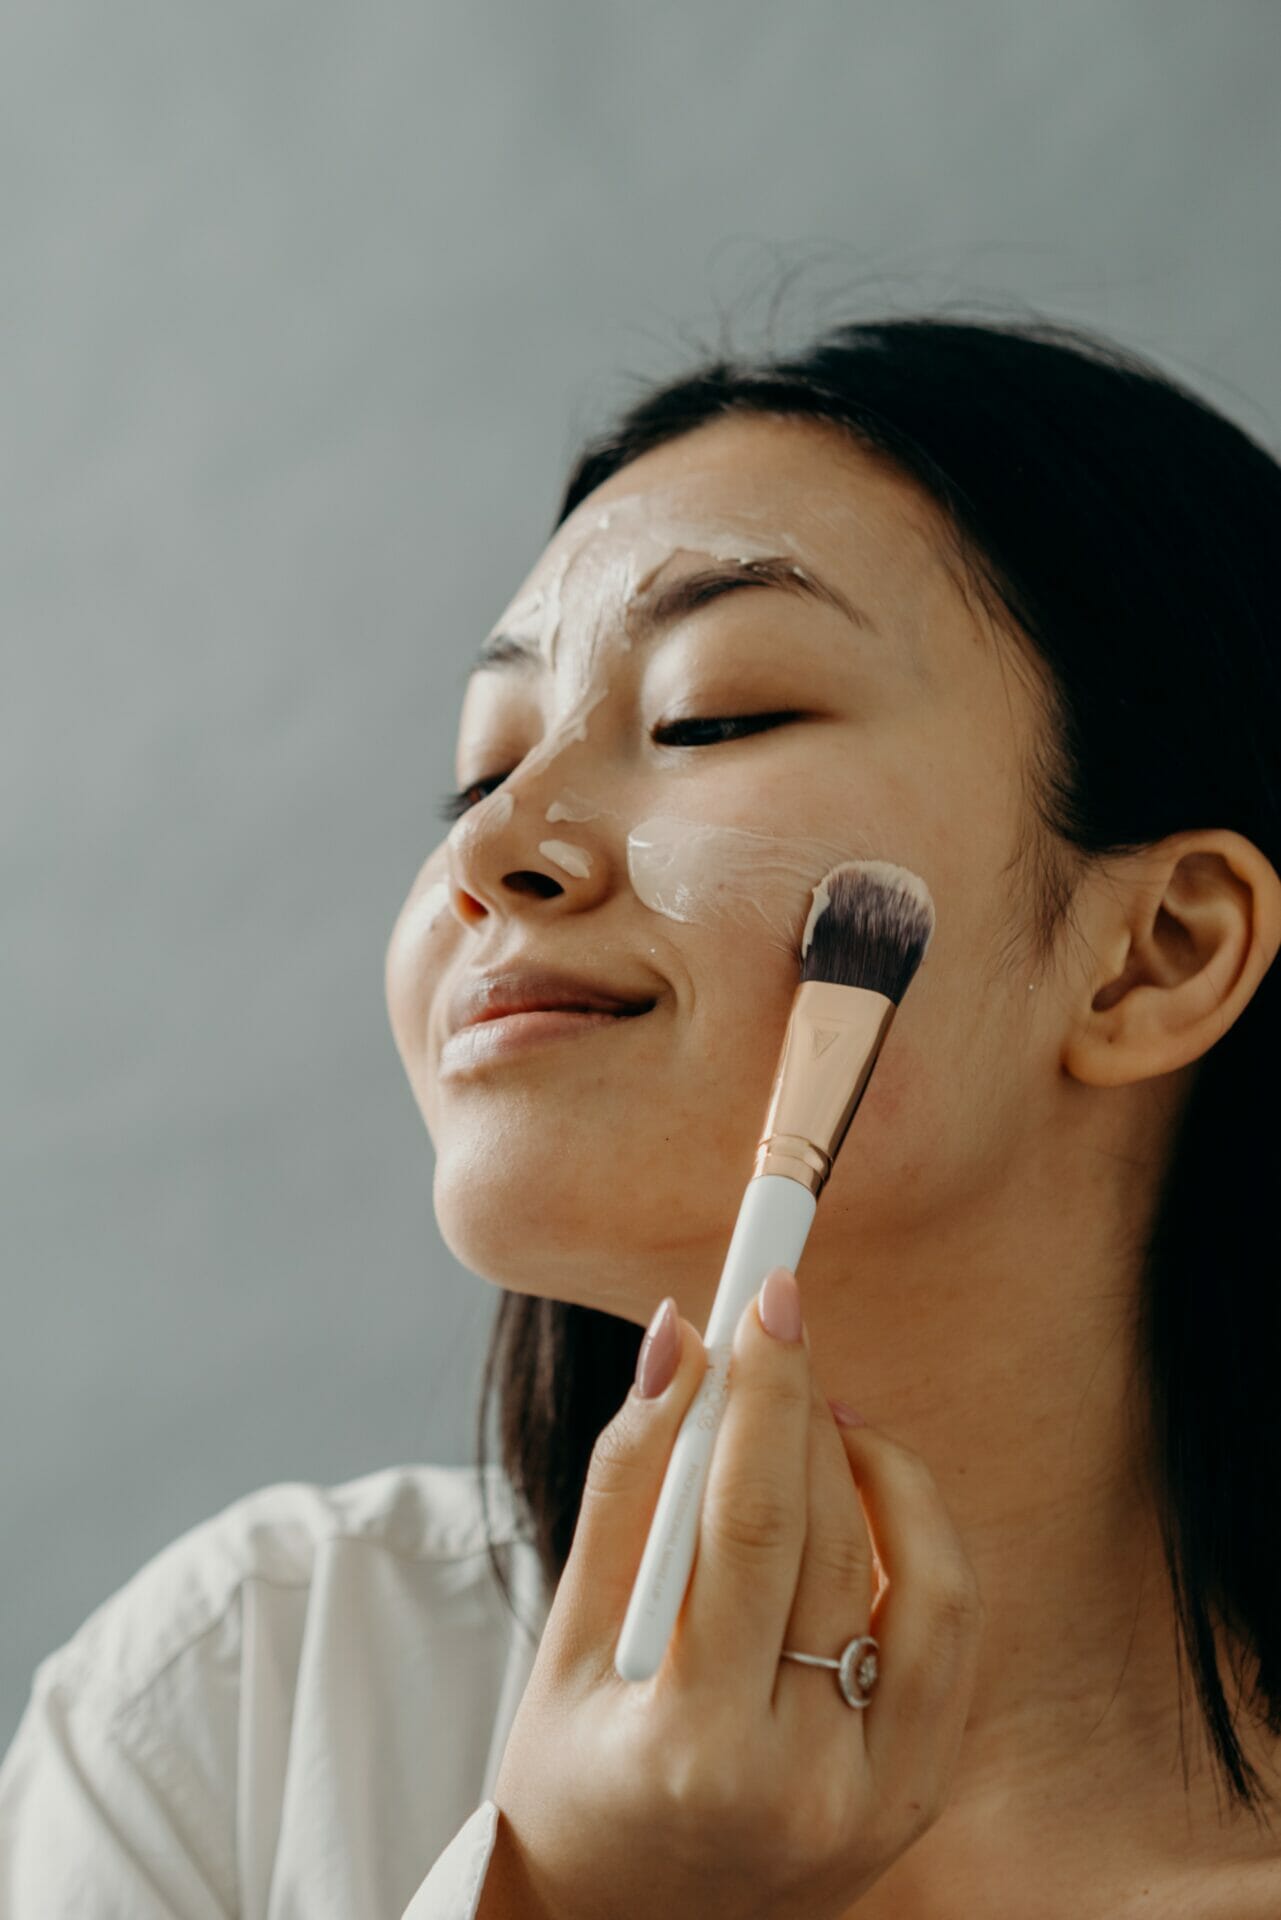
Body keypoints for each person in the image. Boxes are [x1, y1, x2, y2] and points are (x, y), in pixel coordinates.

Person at [3, 309, 1280, 1918]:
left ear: (1155, 955)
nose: (491, 852)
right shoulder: (256, 1687)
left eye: (711, 717)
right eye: (476, 775)